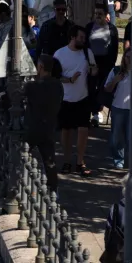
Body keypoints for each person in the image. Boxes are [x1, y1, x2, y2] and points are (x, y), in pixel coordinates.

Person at [54, 25, 97, 177]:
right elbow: (55, 76)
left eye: (84, 38)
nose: (83, 40)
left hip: (83, 98)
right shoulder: (60, 54)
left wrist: (93, 70)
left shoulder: (87, 52)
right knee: (66, 131)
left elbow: (94, 70)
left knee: (83, 130)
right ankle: (66, 161)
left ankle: (80, 161)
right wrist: (70, 79)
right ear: (72, 37)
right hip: (65, 99)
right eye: (81, 38)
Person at [25, 55, 64, 191]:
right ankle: (53, 189)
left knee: (20, 155)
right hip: (49, 127)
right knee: (49, 161)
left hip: (33, 128)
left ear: (40, 67)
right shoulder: (58, 85)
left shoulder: (32, 86)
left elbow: (18, 97)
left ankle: (16, 183)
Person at [86, 4, 119, 127]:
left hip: (106, 63)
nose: (97, 16)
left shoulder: (111, 29)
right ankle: (93, 112)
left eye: (100, 13)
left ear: (106, 15)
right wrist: (89, 63)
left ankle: (98, 112)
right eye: (96, 13)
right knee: (91, 86)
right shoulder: (90, 27)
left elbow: (114, 49)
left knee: (102, 88)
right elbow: (86, 45)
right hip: (92, 62)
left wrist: (111, 65)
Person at [104, 54, 132, 169]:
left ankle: (129, 161)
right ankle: (118, 159)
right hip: (118, 107)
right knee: (116, 137)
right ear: (123, 58)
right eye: (127, 56)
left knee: (130, 137)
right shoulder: (116, 71)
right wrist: (115, 81)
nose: (129, 59)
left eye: (131, 56)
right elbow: (107, 88)